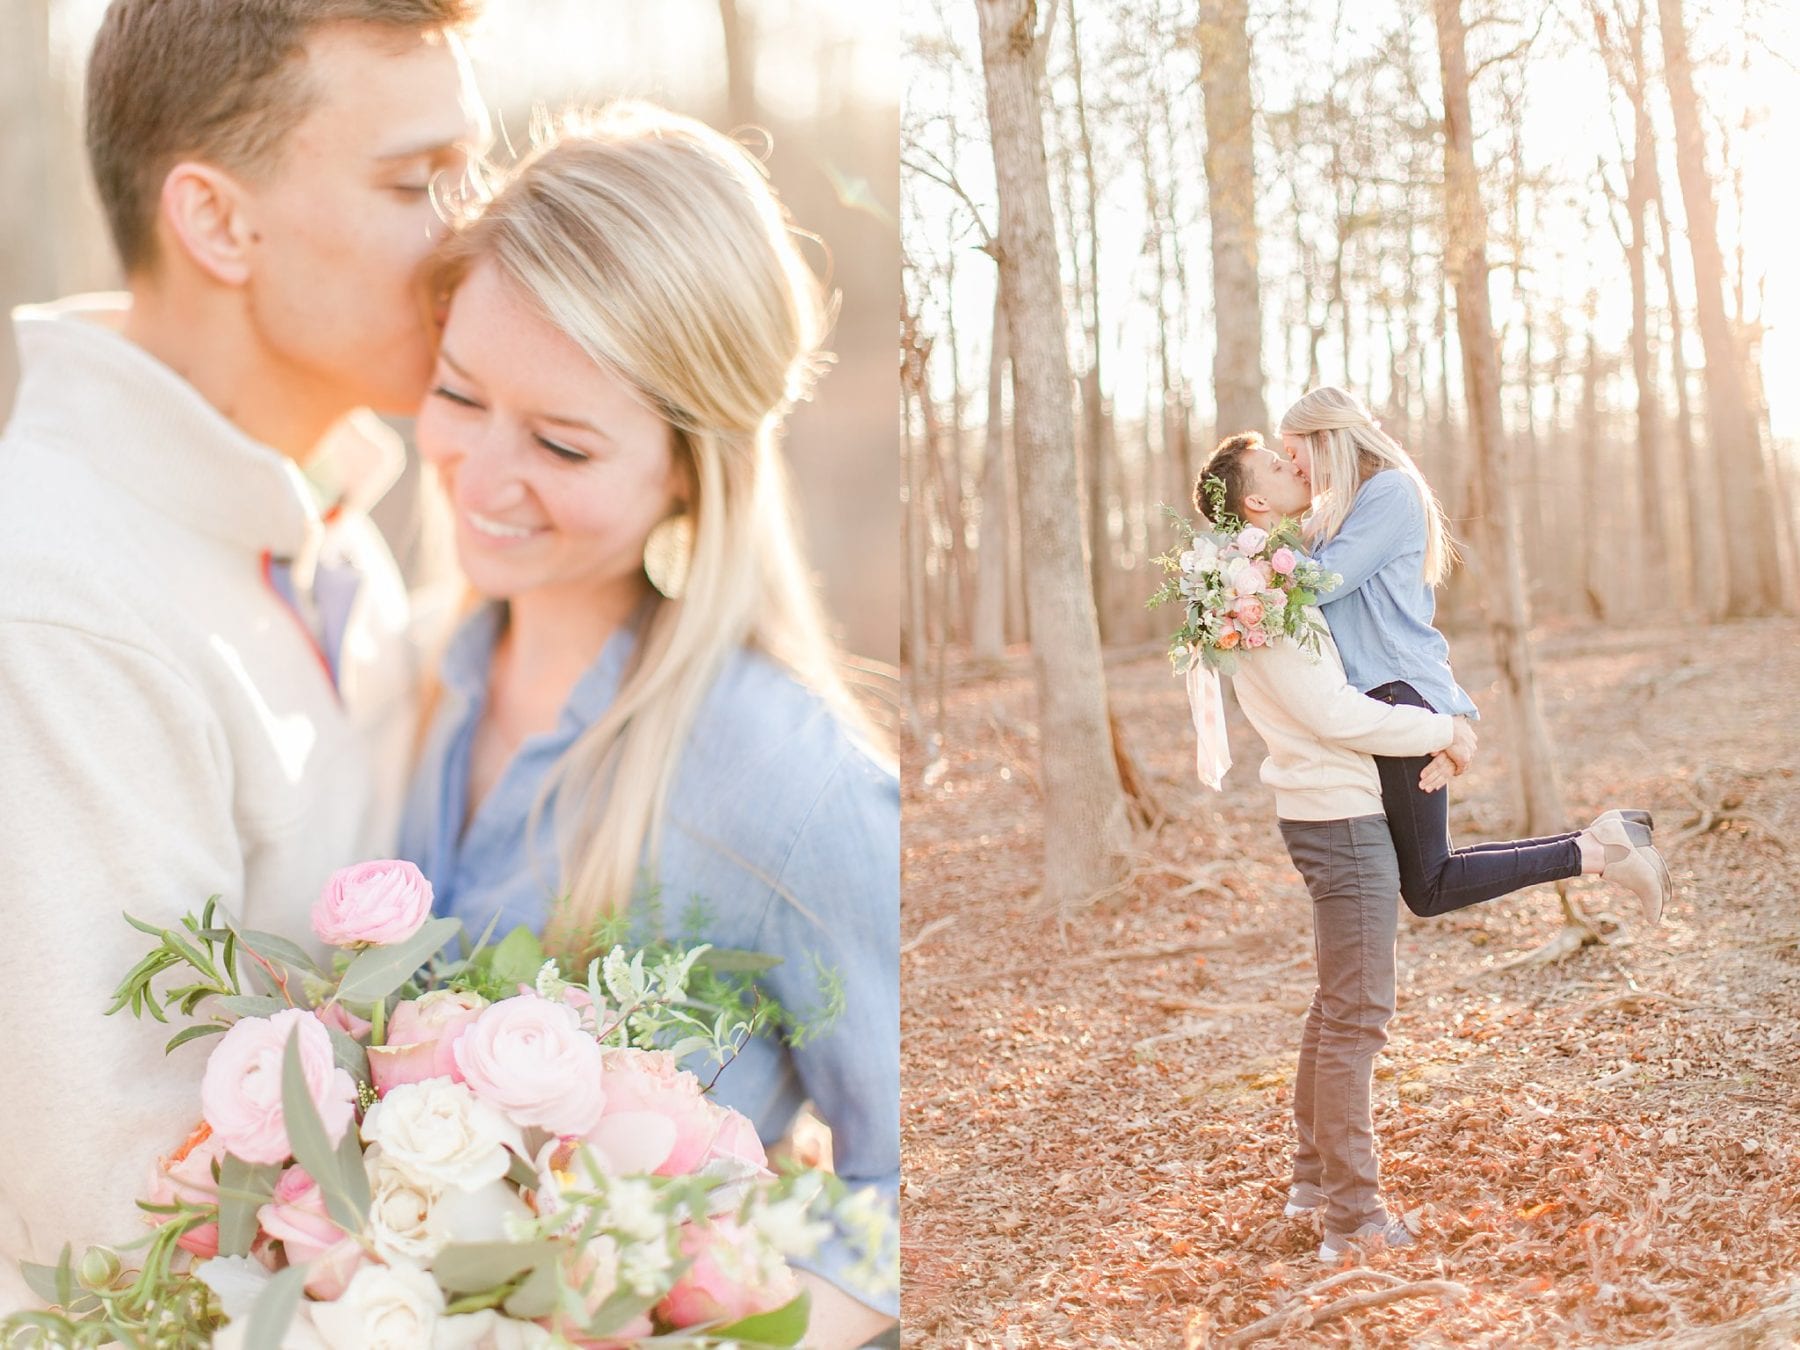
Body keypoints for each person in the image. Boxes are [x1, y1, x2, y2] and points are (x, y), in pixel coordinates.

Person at [0, 0, 487, 1309]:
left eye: (470, 173)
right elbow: (121, 1237)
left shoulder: (334, 530)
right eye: (416, 183)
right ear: (218, 221)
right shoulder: (56, 615)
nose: (471, 235)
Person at [395, 104, 899, 1346]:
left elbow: (923, 1179)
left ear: (688, 463)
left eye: (563, 443)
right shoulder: (405, 684)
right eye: (458, 394)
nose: (479, 473)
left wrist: (738, 1326)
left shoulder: (789, 783)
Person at [1187, 438, 1473, 1261]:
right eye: (1278, 466)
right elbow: (1336, 714)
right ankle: (1354, 1220)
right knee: (1358, 1018)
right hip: (1340, 821)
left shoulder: (1269, 581)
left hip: (1324, 812)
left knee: (1334, 1007)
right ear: (1255, 507)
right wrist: (1444, 728)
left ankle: (1313, 1181)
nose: (1296, 466)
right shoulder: (1267, 597)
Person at [1269, 393, 1671, 924]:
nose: (1292, 464)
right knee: (1429, 876)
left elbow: (1324, 581)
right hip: (1386, 696)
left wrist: (1257, 546)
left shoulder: (1389, 490)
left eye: (1294, 451)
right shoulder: (1345, 505)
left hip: (1398, 692)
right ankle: (1600, 846)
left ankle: (1598, 851)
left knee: (1430, 885)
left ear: (1326, 440)